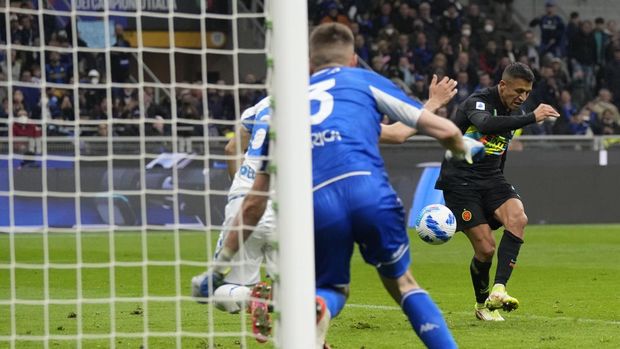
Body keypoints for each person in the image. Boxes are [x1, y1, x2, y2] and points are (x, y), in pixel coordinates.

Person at [199, 23, 485, 348]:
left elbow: (241, 172)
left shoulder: (284, 107)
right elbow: (419, 131)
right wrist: (458, 141)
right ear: (352, 60)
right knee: (401, 285)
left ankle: (286, 305)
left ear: (308, 65)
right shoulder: (358, 86)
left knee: (323, 289)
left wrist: (218, 264)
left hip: (292, 203)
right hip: (348, 195)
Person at [434, 62, 560, 321]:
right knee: (486, 250)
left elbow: (501, 147)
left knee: (519, 218)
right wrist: (531, 117)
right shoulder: (478, 102)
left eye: (527, 92)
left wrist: (499, 177)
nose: (522, 97)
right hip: (460, 181)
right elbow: (487, 124)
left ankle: (499, 290)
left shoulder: (517, 111)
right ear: (503, 85)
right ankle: (482, 305)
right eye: (518, 91)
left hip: (491, 177)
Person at [191, 97, 276, 316]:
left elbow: (231, 148)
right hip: (285, 205)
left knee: (221, 289)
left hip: (244, 202)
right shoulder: (318, 101)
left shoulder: (262, 105)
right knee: (297, 288)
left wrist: (240, 184)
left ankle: (249, 299)